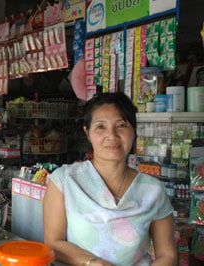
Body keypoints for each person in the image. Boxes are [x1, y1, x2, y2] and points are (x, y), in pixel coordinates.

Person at [43, 92, 176, 265]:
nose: (112, 135)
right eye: (100, 127)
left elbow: (167, 255)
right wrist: (93, 263)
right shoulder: (64, 181)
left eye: (121, 125)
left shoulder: (154, 190)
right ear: (87, 132)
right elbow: (53, 243)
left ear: (133, 131)